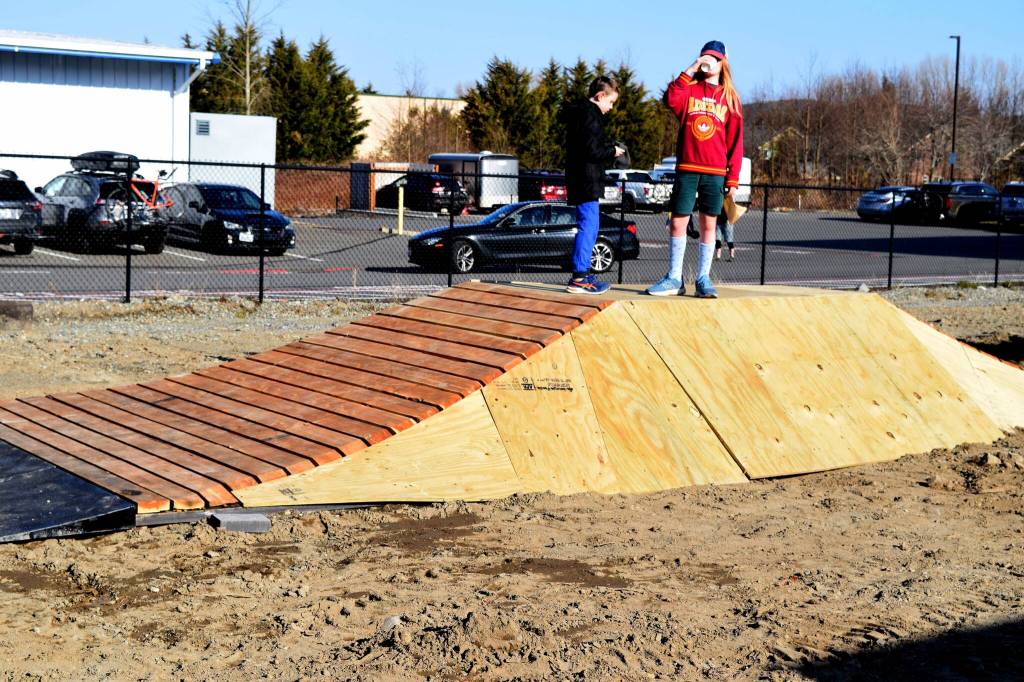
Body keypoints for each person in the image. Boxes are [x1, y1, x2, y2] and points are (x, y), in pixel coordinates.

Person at [647, 40, 743, 298]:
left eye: (713, 57)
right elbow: (670, 99)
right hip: (688, 168)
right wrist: (691, 68)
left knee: (709, 225)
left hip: (714, 172)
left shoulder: (730, 98)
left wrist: (733, 179)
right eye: (704, 56)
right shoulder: (689, 90)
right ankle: (674, 278)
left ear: (723, 61)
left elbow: (736, 142)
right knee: (678, 222)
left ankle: (703, 278)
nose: (708, 61)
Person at [564, 76, 626, 294]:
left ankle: (582, 273)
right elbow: (591, 150)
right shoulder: (591, 115)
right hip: (586, 179)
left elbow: (587, 144)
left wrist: (607, 146)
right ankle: (580, 277)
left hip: (580, 177)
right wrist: (612, 151)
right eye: (610, 102)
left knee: (589, 225)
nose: (610, 108)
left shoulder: (581, 113)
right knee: (589, 226)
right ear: (600, 96)